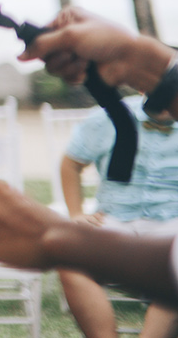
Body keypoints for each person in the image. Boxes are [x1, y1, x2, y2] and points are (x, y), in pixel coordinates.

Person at [0, 6, 178, 306]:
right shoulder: (103, 123)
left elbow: (170, 268)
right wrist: (143, 61)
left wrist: (54, 237)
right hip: (119, 219)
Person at [56, 95, 178, 338]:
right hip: (114, 220)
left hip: (172, 224)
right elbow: (71, 163)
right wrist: (76, 213)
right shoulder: (110, 116)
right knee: (69, 260)